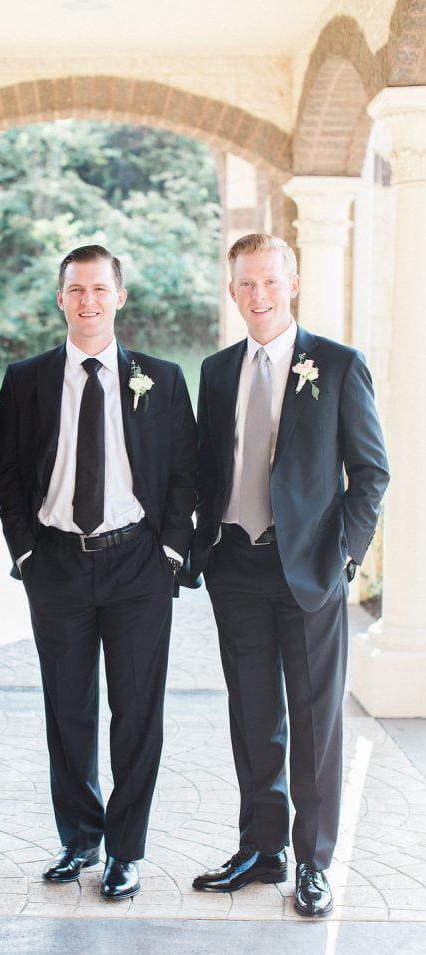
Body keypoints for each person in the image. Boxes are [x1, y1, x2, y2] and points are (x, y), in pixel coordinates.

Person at [189, 233, 389, 917]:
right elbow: (207, 468)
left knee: (313, 720)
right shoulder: (216, 372)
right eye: (245, 283)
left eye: (269, 281)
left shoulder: (336, 365)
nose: (258, 295)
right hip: (234, 565)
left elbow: (369, 473)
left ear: (292, 283)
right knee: (252, 715)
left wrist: (341, 559)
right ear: (232, 289)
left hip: (308, 570)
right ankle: (260, 848)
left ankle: (312, 861)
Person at [0, 244, 197, 899]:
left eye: (99, 290)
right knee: (68, 710)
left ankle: (124, 850)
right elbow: (10, 474)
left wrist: (169, 552)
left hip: (137, 564)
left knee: (136, 711)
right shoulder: (25, 379)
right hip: (55, 563)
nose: (88, 302)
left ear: (119, 297)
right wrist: (24, 550)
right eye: (76, 290)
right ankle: (78, 840)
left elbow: (183, 471)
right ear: (61, 298)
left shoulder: (160, 379)